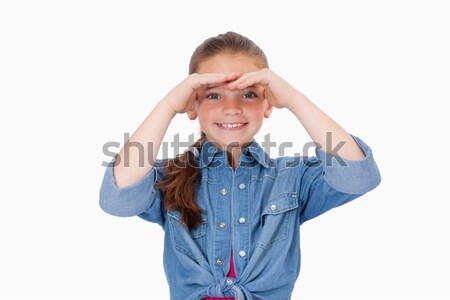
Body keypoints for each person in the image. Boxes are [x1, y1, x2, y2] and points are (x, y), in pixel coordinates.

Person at [99, 31, 381, 300]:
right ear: (192, 104)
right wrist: (168, 106)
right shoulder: (170, 176)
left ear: (267, 104)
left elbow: (358, 176)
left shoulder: (292, 178)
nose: (231, 107)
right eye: (213, 94)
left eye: (248, 94)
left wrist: (293, 99)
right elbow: (118, 198)